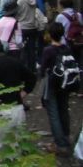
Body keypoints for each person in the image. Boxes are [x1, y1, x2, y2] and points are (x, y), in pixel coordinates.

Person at [0, 37, 36, 155]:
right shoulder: (14, 61)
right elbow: (32, 78)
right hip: (18, 110)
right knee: (15, 148)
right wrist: (23, 93)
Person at [39, 22, 77, 157]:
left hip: (52, 82)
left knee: (53, 112)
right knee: (63, 110)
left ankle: (60, 144)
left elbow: (43, 69)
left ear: (50, 34)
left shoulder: (48, 50)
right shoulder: (66, 48)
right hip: (65, 83)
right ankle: (66, 137)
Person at [15, 0, 45, 73]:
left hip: (22, 27)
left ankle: (23, 69)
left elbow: (17, 12)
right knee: (32, 49)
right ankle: (33, 69)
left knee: (22, 48)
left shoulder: (20, 0)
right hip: (32, 27)